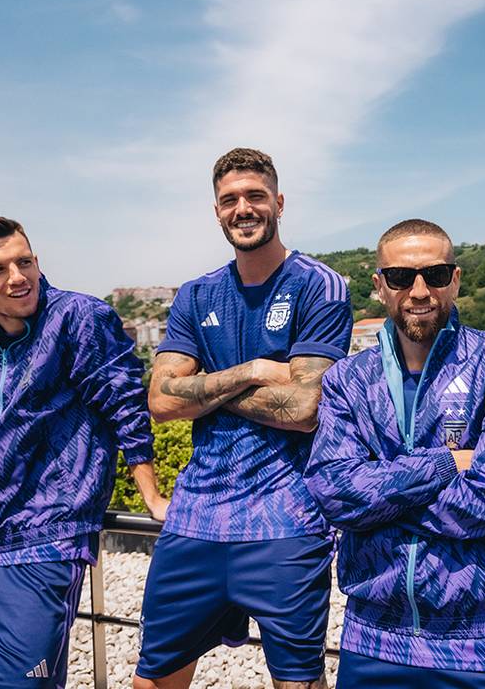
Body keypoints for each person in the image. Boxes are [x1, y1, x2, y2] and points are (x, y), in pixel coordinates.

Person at [134, 148, 352, 689]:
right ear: (216, 211)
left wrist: (204, 384)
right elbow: (160, 403)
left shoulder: (318, 285)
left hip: (287, 524)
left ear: (278, 202)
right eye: (230, 199)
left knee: (298, 684)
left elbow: (305, 409)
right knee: (152, 681)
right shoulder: (196, 293)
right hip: (195, 520)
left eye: (255, 196)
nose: (243, 208)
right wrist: (254, 370)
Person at [0, 214, 166, 689]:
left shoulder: (78, 318)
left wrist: (150, 495)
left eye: (24, 262)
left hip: (41, 539)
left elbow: (125, 405)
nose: (17, 278)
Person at [305, 218, 485, 689]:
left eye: (434, 275)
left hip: (483, 644)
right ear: (378, 286)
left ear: (454, 279)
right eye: (400, 277)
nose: (418, 290)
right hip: (372, 640)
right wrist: (445, 464)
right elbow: (333, 493)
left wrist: (378, 499)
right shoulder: (347, 381)